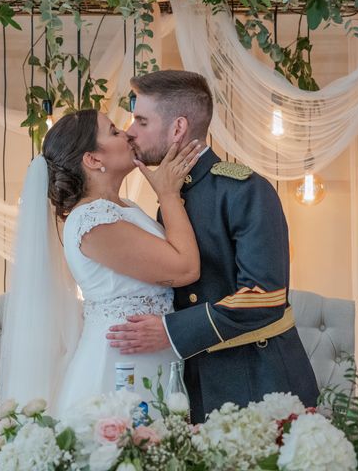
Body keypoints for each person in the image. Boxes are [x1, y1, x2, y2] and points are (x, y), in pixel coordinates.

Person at [106, 70, 319, 423]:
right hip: (196, 381)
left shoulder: (245, 190)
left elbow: (263, 296)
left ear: (177, 128)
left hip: (257, 381)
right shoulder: (171, 195)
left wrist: (171, 331)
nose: (130, 131)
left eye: (141, 120)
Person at [0, 108, 204, 413]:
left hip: (150, 361)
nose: (128, 134)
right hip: (117, 370)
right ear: (93, 159)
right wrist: (168, 194)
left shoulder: (125, 207)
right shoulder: (91, 220)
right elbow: (185, 268)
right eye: (114, 131)